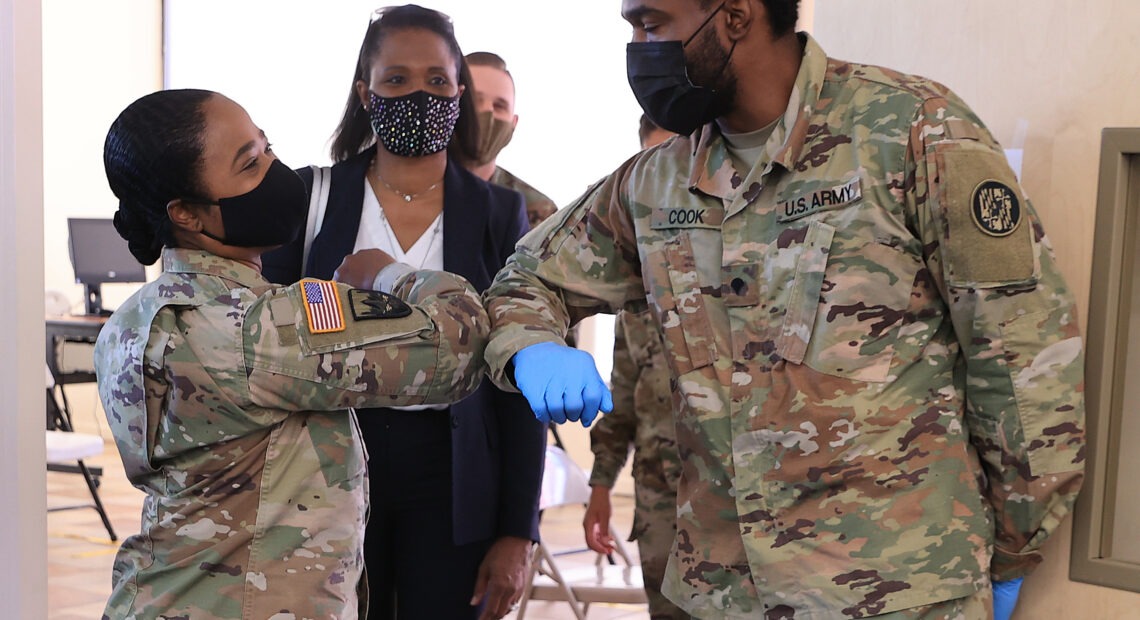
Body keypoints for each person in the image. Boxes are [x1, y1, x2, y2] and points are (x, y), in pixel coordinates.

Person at [482, 1, 1087, 619]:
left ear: (736, 15)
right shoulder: (658, 181)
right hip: (720, 596)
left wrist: (1011, 552)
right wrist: (532, 344)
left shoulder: (911, 133)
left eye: (652, 25)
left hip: (896, 591)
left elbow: (1022, 364)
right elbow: (526, 280)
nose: (639, 49)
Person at [95, 88, 489, 619]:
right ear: (187, 213)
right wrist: (386, 274)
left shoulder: (134, 319)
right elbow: (457, 346)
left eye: (267, 147)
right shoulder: (257, 327)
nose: (277, 171)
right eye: (250, 164)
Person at [259, 6, 544, 620]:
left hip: (452, 472)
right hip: (329, 463)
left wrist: (519, 530)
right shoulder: (311, 198)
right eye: (397, 80)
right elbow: (265, 346)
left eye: (437, 81)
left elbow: (515, 373)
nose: (419, 94)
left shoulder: (499, 213)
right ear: (366, 92)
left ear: (459, 93)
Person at [583, 114, 687, 620]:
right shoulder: (638, 287)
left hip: (737, 514)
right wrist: (601, 484)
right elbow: (622, 395)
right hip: (660, 506)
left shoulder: (749, 266)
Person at [463, 50, 558, 229]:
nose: (487, 112)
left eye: (499, 106)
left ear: (513, 124)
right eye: (475, 100)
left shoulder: (540, 213)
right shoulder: (409, 190)